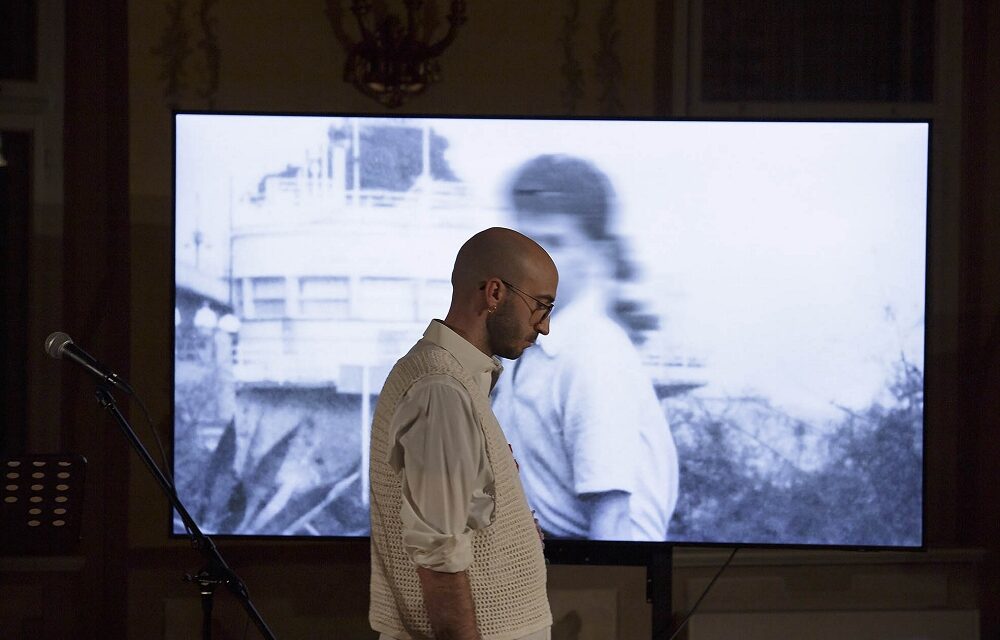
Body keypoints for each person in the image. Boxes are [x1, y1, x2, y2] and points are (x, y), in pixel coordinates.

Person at [369, 227, 557, 640]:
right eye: (541, 307)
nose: (544, 327)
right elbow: (439, 553)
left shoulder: (452, 380)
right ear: (494, 293)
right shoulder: (440, 387)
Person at [491, 154, 679, 541]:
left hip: (596, 566)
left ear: (596, 254)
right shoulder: (527, 343)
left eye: (555, 243)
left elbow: (612, 520)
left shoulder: (593, 354)